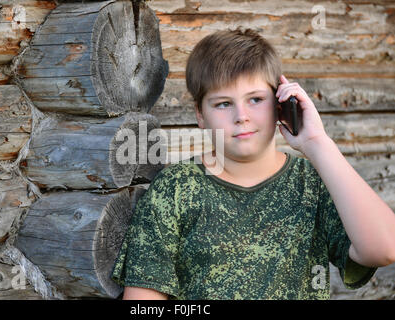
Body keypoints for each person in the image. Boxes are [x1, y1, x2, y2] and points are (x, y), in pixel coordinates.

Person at [111, 28, 395, 300]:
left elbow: (385, 248)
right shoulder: (174, 190)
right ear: (200, 115)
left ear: (281, 104)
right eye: (223, 104)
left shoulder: (312, 185)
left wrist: (317, 143)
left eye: (256, 99)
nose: (241, 116)